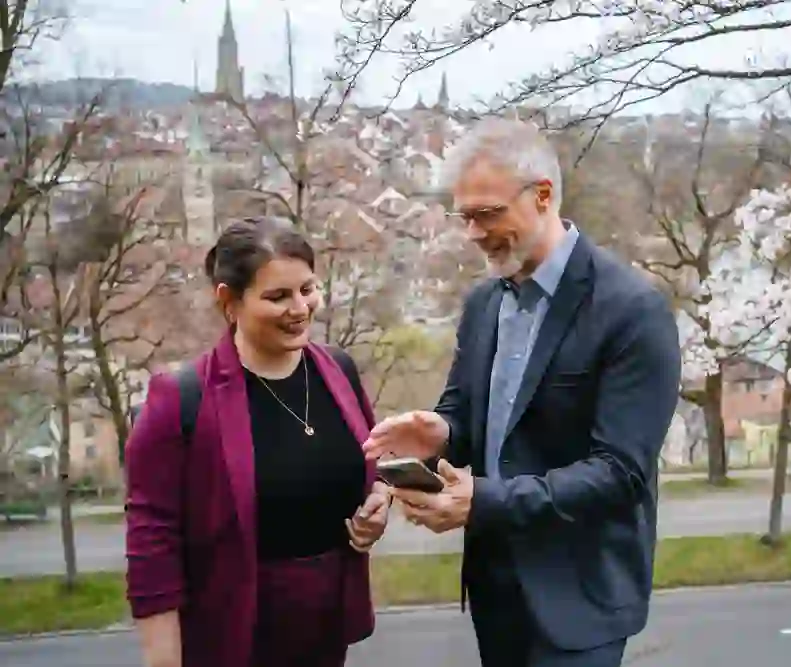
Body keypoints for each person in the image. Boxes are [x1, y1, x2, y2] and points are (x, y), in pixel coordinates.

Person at [362, 118, 682, 667]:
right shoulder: (483, 305)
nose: (474, 233)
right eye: (465, 217)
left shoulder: (632, 310)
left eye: (487, 214)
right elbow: (468, 417)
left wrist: (480, 501)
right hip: (496, 590)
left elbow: (620, 473)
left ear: (542, 195)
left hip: (581, 598)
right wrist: (441, 433)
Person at [125, 217, 390, 667]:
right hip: (231, 639)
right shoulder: (182, 399)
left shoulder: (338, 370)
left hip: (327, 635)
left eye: (307, 289)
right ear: (229, 301)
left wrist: (378, 502)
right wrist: (164, 659)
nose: (301, 308)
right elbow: (152, 544)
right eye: (278, 296)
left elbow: (375, 463)